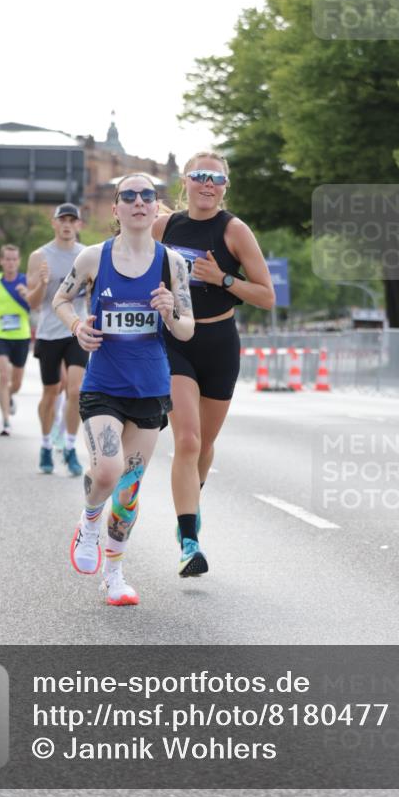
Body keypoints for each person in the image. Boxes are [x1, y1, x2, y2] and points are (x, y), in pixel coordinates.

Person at [53, 173, 194, 605]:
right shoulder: (94, 258)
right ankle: (89, 520)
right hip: (103, 386)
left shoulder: (173, 263)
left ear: (156, 209)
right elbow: (61, 300)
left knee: (129, 489)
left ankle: (114, 574)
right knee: (108, 470)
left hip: (150, 387)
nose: (138, 201)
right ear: (115, 210)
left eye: (147, 196)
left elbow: (186, 330)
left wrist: (171, 312)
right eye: (128, 196)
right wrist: (77, 326)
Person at [152, 151, 275, 576]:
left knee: (204, 445)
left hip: (220, 342)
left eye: (217, 178)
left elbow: (266, 295)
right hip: (174, 340)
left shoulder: (234, 230)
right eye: (200, 176)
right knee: (186, 440)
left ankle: (190, 504)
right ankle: (189, 540)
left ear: (225, 186)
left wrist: (221, 278)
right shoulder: (164, 227)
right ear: (185, 181)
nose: (208, 184)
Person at [26, 203, 87, 475]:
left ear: (78, 225)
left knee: (75, 391)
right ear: (54, 224)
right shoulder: (40, 256)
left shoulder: (87, 255)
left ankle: (71, 448)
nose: (67, 224)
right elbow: (32, 302)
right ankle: (46, 444)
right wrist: (41, 282)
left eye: (72, 220)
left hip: (76, 330)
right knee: (51, 392)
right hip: (50, 332)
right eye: (62, 219)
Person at [0, 245, 34, 436]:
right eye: (7, 259)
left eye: (14, 259)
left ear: (19, 261)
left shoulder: (27, 281)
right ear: (1, 261)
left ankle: (9, 396)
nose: (11, 263)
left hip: (21, 336)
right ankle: (5, 421)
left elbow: (36, 305)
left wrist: (26, 295)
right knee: (4, 375)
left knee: (17, 382)